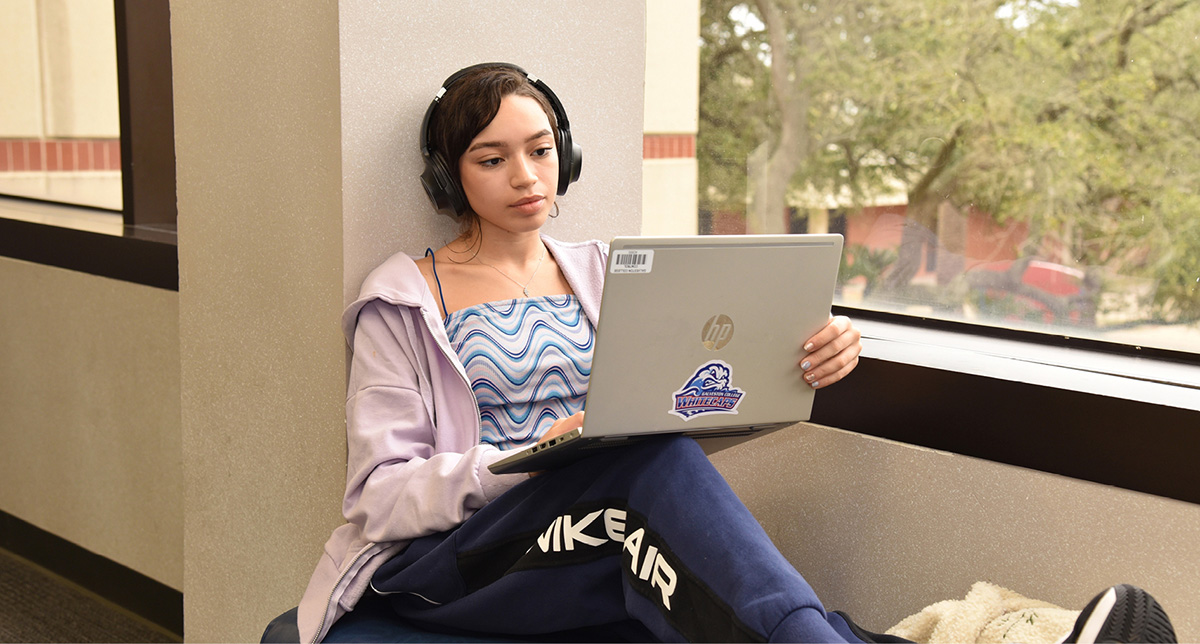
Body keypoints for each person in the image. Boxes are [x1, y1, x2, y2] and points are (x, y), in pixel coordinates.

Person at [290, 63, 1176, 644]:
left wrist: (811, 354)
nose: (526, 177)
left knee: (681, 529)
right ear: (453, 179)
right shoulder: (403, 299)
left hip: (595, 529)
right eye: (492, 159)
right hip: (463, 562)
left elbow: (691, 387)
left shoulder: (609, 272)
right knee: (646, 472)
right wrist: (519, 464)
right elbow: (377, 494)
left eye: (541, 150)